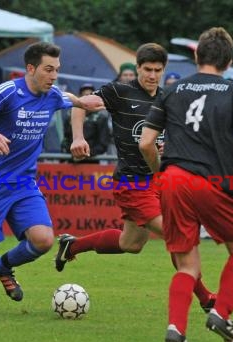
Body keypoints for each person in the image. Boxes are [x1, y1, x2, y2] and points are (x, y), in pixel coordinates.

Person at [0, 42, 103, 312]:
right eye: (48, 69)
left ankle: (2, 266)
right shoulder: (9, 92)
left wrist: (78, 136)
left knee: (43, 240)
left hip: (23, 184)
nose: (54, 76)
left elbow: (77, 103)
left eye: (57, 70)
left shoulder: (52, 95)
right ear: (30, 68)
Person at [55, 43, 217, 314]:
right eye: (147, 70)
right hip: (132, 183)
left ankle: (72, 245)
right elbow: (82, 106)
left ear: (164, 70)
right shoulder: (120, 91)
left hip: (159, 181)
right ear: (137, 69)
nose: (152, 75)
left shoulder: (168, 99)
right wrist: (79, 137)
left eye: (157, 70)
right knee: (176, 234)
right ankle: (205, 298)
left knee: (131, 244)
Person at [139, 27, 233, 342]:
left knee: (187, 266)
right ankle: (221, 313)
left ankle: (176, 329)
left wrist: (160, 175)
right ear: (228, 61)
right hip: (213, 182)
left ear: (197, 56)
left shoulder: (171, 90)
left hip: (174, 180)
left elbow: (146, 143)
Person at [61, 83, 111, 161]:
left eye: (89, 96)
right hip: (72, 161)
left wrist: (86, 154)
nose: (87, 100)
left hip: (92, 161)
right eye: (84, 96)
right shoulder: (69, 116)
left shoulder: (101, 118)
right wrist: (72, 153)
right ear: (79, 98)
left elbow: (103, 143)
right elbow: (65, 139)